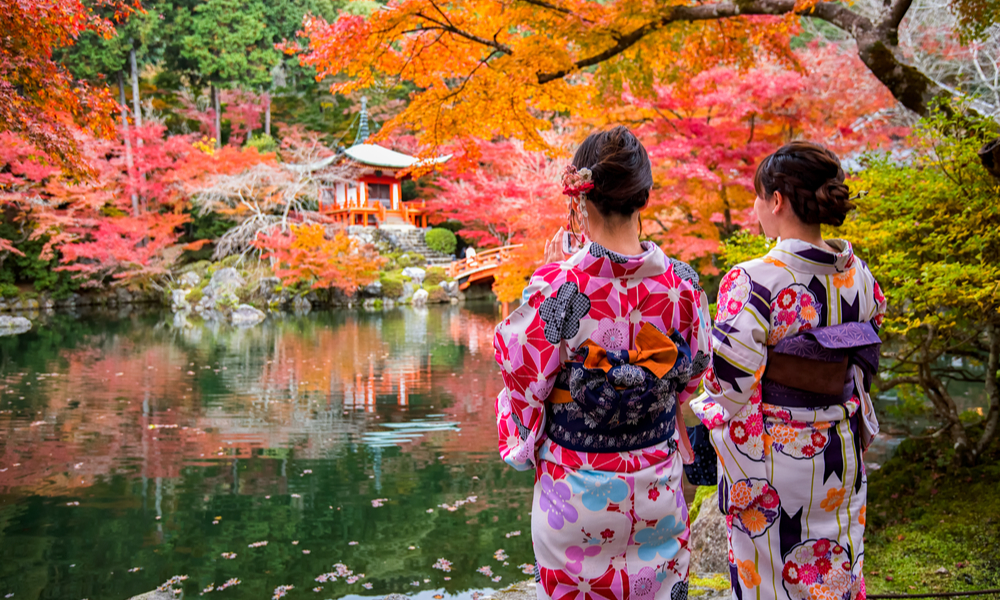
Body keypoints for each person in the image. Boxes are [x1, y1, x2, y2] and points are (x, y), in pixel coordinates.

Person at [493, 126, 712, 600]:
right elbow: (694, 374)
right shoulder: (686, 285)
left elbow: (520, 375)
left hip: (575, 495)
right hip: (656, 487)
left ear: (580, 196)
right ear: (645, 197)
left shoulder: (557, 285)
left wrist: (546, 280)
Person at [688, 142, 886, 600]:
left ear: (776, 200)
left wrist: (699, 410)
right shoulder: (860, 276)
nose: (756, 207)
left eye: (758, 197)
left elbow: (728, 387)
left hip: (775, 460)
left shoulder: (754, 279)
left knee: (773, 583)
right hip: (840, 450)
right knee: (835, 568)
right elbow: (864, 360)